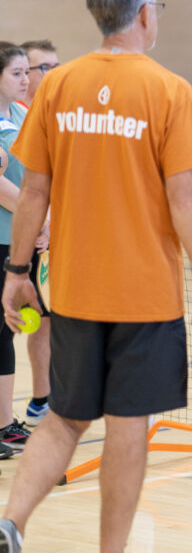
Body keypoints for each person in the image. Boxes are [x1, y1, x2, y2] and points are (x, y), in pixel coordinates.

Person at [0, 0, 192, 553]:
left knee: (65, 418)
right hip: (142, 295)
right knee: (128, 427)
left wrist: (17, 272)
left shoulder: (60, 86)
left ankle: (10, 523)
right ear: (145, 13)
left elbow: (35, 192)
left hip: (72, 288)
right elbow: (185, 197)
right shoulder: (169, 90)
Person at [16, 41, 58, 428]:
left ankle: (44, 398)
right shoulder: (15, 118)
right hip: (20, 243)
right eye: (43, 67)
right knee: (29, 322)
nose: (52, 74)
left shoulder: (55, 115)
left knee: (48, 322)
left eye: (56, 66)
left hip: (54, 240)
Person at [0, 44, 37, 452]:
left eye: (26, 72)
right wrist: (38, 220)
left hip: (19, 243)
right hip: (3, 239)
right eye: (16, 73)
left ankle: (5, 424)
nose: (25, 80)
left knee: (8, 332)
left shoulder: (23, 115)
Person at [19, 41, 59, 109]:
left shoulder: (59, 108)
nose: (54, 73)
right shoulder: (8, 111)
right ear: (25, 71)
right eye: (45, 67)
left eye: (56, 67)